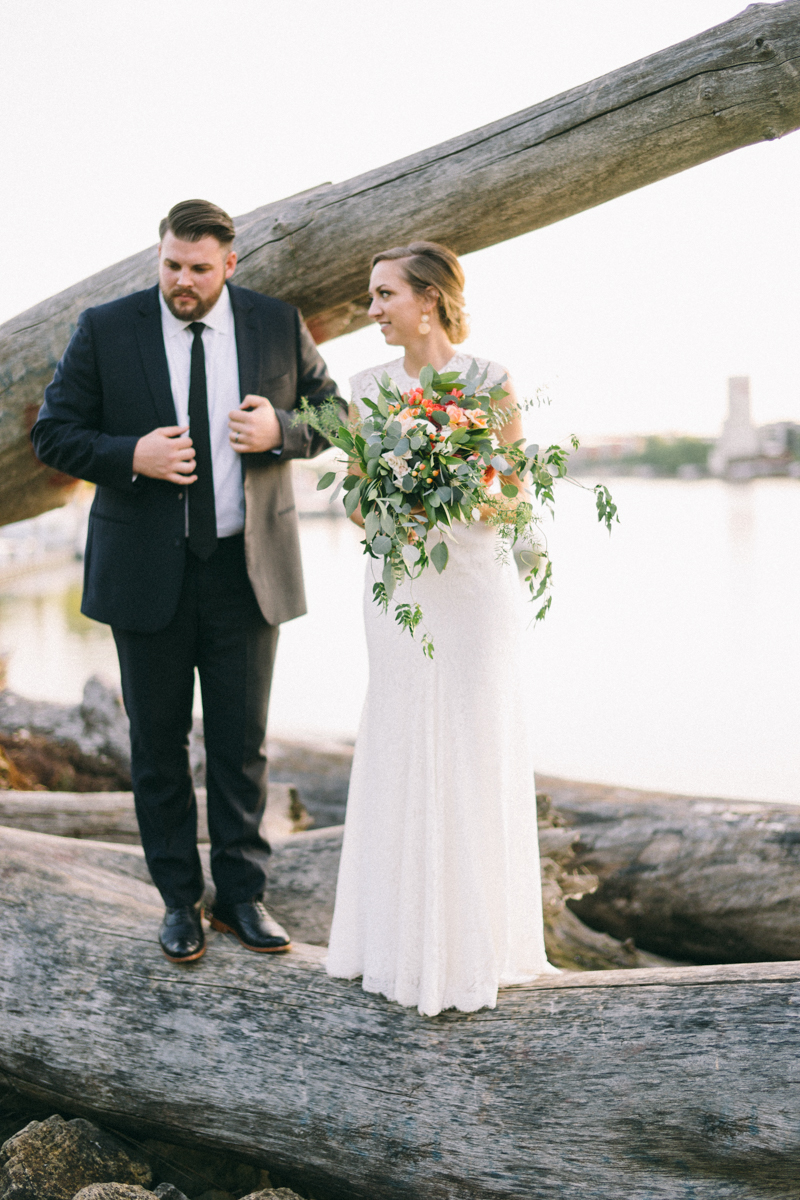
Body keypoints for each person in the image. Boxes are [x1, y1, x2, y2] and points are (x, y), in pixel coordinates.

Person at [32, 199, 343, 964]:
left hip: (246, 570)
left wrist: (283, 431)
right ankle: (179, 899)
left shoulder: (275, 322)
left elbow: (337, 414)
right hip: (146, 572)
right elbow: (53, 431)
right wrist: (128, 454)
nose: (183, 281)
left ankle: (242, 895)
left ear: (230, 265)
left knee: (242, 745)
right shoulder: (108, 327)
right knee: (157, 747)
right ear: (160, 256)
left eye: (199, 270)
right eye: (172, 265)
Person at [325, 241, 557, 1016]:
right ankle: (395, 946)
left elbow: (517, 497)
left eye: (383, 294)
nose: (372, 311)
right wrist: (395, 490)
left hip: (472, 586)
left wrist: (450, 493)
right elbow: (353, 503)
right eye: (370, 296)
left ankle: (479, 948)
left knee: (473, 739)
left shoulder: (490, 382)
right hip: (402, 588)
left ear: (427, 298)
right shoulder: (365, 388)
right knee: (400, 734)